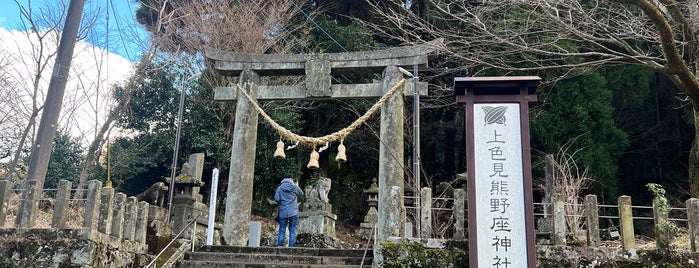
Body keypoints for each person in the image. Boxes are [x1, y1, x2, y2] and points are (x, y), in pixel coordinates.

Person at [274, 173, 304, 247]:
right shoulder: (294, 187)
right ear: (291, 179)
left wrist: (283, 201)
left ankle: (280, 247)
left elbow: (276, 198)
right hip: (293, 212)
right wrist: (297, 186)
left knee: (282, 230)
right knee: (292, 230)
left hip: (283, 212)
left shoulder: (280, 188)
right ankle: (291, 248)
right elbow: (301, 194)